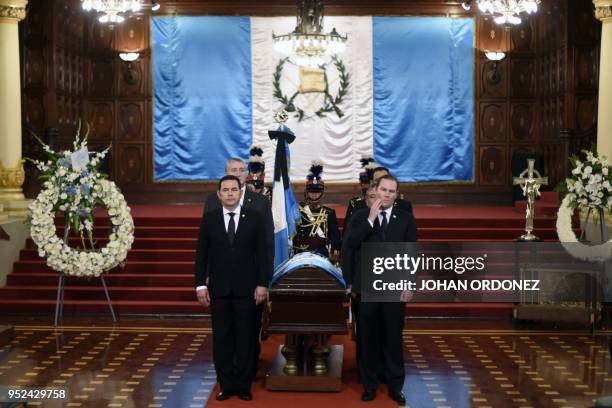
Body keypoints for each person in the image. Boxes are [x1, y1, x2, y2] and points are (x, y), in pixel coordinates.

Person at [195, 175, 272, 401]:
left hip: (248, 290)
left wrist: (262, 284)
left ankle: (243, 385)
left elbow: (262, 254)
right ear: (219, 194)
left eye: (233, 190)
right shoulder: (209, 219)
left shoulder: (255, 218)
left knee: (246, 339)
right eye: (225, 190)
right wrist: (200, 285)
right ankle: (226, 385)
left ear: (240, 193)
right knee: (222, 339)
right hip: (219, 291)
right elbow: (201, 256)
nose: (229, 193)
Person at [345, 175, 417, 404]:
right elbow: (351, 244)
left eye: (391, 191)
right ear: (375, 191)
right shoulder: (359, 217)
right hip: (367, 289)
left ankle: (396, 386)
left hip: (394, 289)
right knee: (368, 340)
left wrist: (409, 284)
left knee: (393, 339)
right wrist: (370, 219)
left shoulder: (405, 219)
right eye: (383, 190)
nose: (386, 195)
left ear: (396, 195)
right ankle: (369, 385)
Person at [293, 161, 341, 260]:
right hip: (302, 253)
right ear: (306, 193)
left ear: (322, 193)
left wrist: (335, 252)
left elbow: (334, 237)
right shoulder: (299, 211)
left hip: (322, 253)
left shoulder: (329, 213)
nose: (314, 194)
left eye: (317, 192)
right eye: (311, 192)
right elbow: (294, 234)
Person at [345, 166, 413, 228]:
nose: (383, 184)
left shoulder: (404, 206)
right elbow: (348, 234)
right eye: (378, 181)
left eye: (385, 179)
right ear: (372, 183)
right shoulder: (359, 206)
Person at [344, 156, 377, 227]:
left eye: (368, 183)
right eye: (363, 183)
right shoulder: (354, 202)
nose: (366, 186)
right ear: (360, 184)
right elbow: (348, 225)